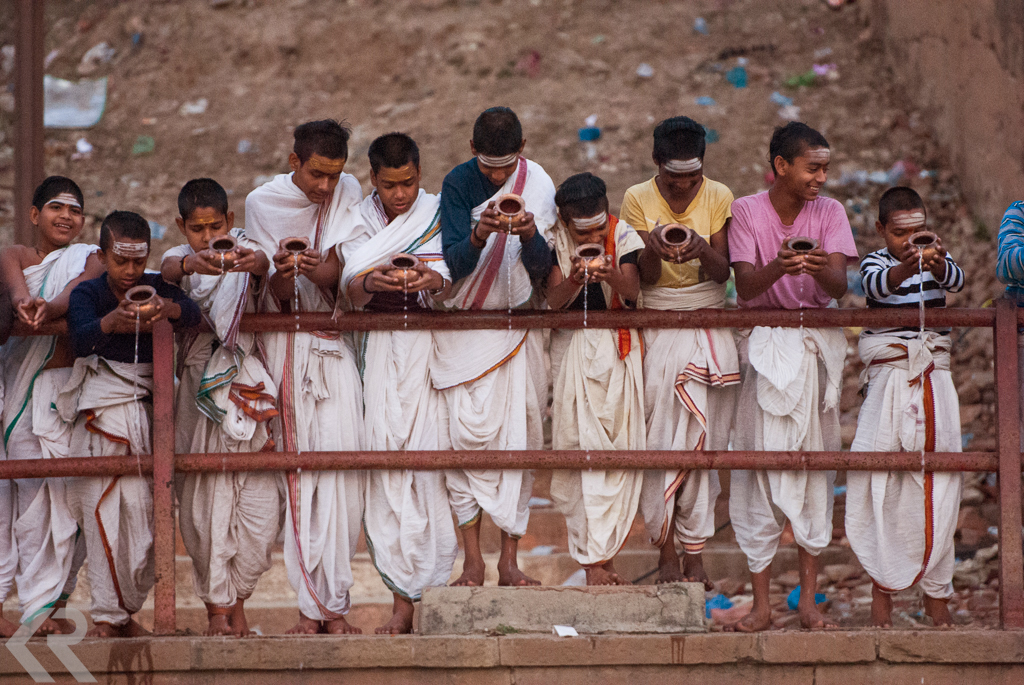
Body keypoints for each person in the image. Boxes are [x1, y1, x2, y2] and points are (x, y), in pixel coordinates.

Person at [726, 122, 857, 631]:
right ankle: (762, 605)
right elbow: (745, 287)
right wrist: (780, 267)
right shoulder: (746, 210)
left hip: (813, 356)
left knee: (813, 472)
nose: (821, 178)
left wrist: (818, 266)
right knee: (757, 470)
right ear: (781, 166)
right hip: (764, 353)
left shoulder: (832, 213)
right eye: (812, 167)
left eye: (825, 167)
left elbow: (840, 286)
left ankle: (807, 602)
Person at [243, 119, 367, 635]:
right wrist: (283, 272)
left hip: (335, 350)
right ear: (294, 161)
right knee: (299, 473)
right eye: (317, 174)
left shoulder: (350, 192)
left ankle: (334, 607)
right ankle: (308, 609)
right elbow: (271, 291)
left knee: (342, 474)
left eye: (334, 176)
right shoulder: (261, 202)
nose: (325, 187)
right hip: (288, 348)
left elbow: (343, 275)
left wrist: (314, 267)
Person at [59, 210, 200, 637]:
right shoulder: (88, 293)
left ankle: (124, 613)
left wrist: (168, 307)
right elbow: (79, 335)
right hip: (103, 415)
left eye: (139, 262)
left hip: (148, 418)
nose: (130, 272)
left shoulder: (156, 285)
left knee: (146, 517)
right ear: (102, 255)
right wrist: (111, 323)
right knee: (103, 512)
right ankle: (106, 617)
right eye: (121, 261)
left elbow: (192, 314)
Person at [432, 106, 556, 587]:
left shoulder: (538, 183)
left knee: (518, 441)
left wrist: (527, 235)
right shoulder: (458, 184)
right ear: (471, 152)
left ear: (522, 152)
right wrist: (482, 231)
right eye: (489, 167)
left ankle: (509, 561)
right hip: (465, 327)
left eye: (507, 167)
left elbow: (544, 268)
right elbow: (454, 263)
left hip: (517, 328)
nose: (500, 176)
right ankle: (472, 562)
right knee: (461, 444)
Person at [340, 133, 458, 633]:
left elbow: (458, 270)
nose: (401, 195)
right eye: (390, 186)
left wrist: (435, 280)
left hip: (430, 350)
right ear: (374, 181)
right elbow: (346, 282)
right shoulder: (358, 218)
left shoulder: (438, 211)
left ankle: (432, 593)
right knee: (386, 465)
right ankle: (401, 603)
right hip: (379, 351)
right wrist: (372, 281)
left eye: (408, 183)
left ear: (419, 175)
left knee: (431, 468)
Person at [161, 178, 281, 637]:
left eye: (217, 226)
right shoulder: (180, 261)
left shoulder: (249, 251)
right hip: (196, 391)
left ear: (231, 222)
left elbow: (268, 271)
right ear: (182, 227)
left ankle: (241, 601)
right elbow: (169, 270)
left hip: (248, 387)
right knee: (201, 504)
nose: (210, 237)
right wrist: (193, 262)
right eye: (198, 229)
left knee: (258, 505)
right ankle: (218, 613)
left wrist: (257, 266)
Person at [622, 117, 739, 587]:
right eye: (673, 182)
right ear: (657, 167)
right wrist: (655, 247)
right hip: (658, 323)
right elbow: (644, 277)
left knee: (703, 441)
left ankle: (696, 552)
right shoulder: (637, 199)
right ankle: (666, 548)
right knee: (660, 441)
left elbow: (721, 273)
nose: (683, 190)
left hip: (706, 318)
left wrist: (698, 251)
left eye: (692, 181)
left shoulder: (719, 196)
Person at [847, 187, 965, 627]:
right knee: (881, 480)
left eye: (919, 233)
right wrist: (905, 266)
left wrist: (937, 260)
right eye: (901, 234)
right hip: (889, 384)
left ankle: (939, 607)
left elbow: (958, 281)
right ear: (882, 231)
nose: (911, 241)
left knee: (940, 485)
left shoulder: (939, 260)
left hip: (935, 380)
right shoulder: (877, 262)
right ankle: (882, 603)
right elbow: (878, 285)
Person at [0, 177, 102, 637]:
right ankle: (14, 603)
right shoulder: (16, 254)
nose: (67, 216)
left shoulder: (90, 258)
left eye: (75, 210)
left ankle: (45, 606)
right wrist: (26, 304)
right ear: (34, 214)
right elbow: (18, 289)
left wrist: (49, 308)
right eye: (56, 206)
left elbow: (79, 291)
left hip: (65, 396)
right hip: (21, 394)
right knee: (20, 501)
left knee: (63, 503)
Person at [546, 173, 645, 585]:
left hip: (618, 352)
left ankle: (605, 560)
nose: (592, 234)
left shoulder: (623, 235)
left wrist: (606, 275)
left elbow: (634, 290)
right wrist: (574, 277)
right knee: (576, 447)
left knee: (620, 450)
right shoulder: (553, 241)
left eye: (597, 227)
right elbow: (552, 302)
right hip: (571, 353)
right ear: (566, 223)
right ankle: (591, 563)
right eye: (582, 230)